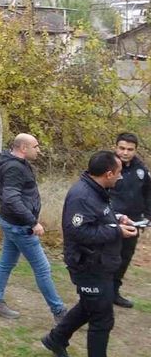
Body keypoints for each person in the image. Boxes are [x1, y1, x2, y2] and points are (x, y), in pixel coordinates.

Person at [42, 151, 138, 357]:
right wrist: (117, 231)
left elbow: (98, 217)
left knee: (89, 306)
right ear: (108, 173)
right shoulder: (82, 196)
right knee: (102, 319)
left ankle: (55, 339)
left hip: (101, 262)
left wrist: (118, 218)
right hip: (88, 265)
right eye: (119, 172)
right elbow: (78, 232)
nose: (121, 176)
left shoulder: (98, 190)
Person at [0, 134, 66, 321]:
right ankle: (59, 312)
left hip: (11, 222)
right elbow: (11, 198)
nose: (39, 150)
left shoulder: (16, 163)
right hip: (19, 227)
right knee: (42, 268)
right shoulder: (14, 168)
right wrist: (32, 222)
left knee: (6, 263)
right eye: (35, 146)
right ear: (23, 148)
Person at [110, 132, 151, 308]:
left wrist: (147, 216)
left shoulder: (141, 170)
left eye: (130, 149)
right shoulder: (106, 165)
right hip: (110, 220)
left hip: (133, 222)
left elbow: (148, 194)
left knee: (124, 257)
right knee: (106, 257)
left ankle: (114, 292)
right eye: (122, 148)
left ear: (135, 150)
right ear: (115, 147)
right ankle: (98, 291)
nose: (125, 152)